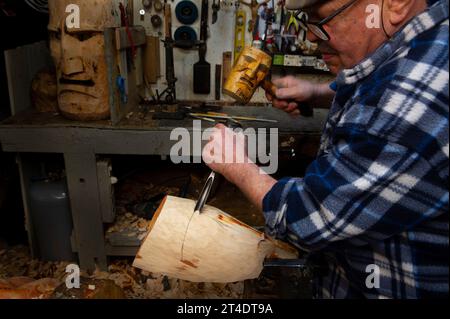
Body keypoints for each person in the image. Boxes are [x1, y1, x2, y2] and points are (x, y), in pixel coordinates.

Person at [202, 0, 449, 298]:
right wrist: (319, 94)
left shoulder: (416, 94)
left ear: (396, 5)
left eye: (320, 18)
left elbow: (311, 217)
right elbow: (379, 90)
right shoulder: (429, 43)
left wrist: (238, 167)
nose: (310, 36)